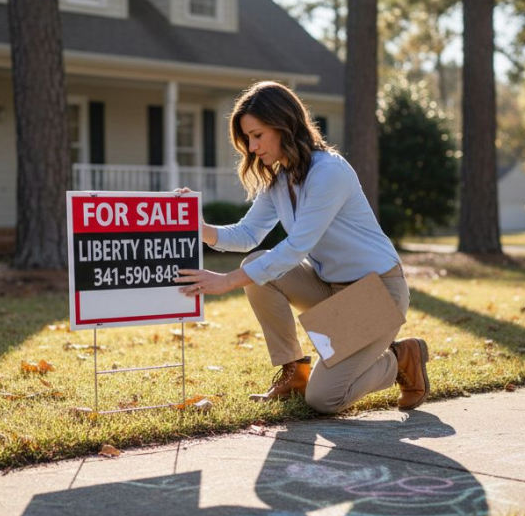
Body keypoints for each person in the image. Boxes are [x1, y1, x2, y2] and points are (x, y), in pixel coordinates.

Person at [174, 81, 430, 414]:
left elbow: (296, 248)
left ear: (284, 126)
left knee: (325, 399)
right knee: (258, 262)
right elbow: (249, 234)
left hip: (379, 293)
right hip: (332, 289)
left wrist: (226, 281)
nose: (251, 148)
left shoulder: (329, 173)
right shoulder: (280, 179)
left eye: (257, 135)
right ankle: (294, 370)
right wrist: (201, 230)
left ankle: (399, 358)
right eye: (247, 139)